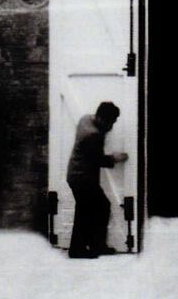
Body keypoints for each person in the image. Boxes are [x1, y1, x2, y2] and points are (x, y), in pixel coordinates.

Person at [66, 101, 128, 258]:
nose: (112, 126)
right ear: (102, 119)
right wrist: (115, 158)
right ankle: (80, 249)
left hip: (76, 175)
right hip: (82, 178)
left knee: (95, 208)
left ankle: (94, 246)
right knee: (89, 210)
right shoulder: (93, 134)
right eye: (111, 122)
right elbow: (98, 160)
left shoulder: (85, 119)